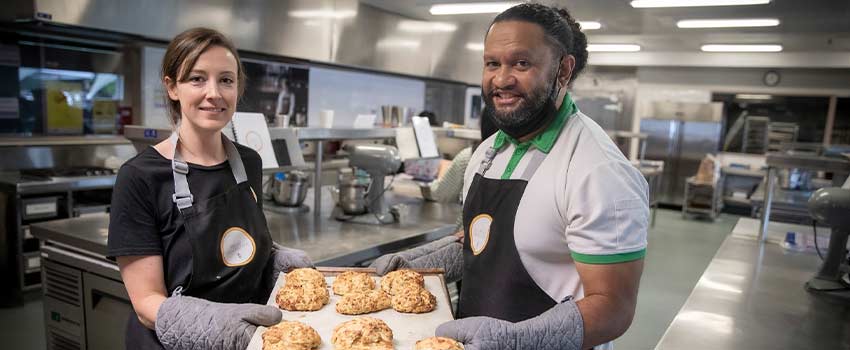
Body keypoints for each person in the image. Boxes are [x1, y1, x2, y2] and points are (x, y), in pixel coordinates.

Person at [371, 4, 648, 350]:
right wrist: (416, 264)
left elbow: (613, 306)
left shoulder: (598, 171)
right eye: (492, 64)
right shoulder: (488, 153)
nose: (501, 80)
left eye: (521, 63)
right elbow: (484, 243)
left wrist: (514, 342)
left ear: (563, 70)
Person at [107, 28, 312, 350]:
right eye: (197, 79)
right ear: (172, 87)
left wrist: (275, 258)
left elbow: (237, 246)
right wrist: (219, 325)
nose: (214, 93)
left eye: (226, 80)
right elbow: (146, 303)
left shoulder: (248, 163)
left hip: (251, 335)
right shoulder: (140, 177)